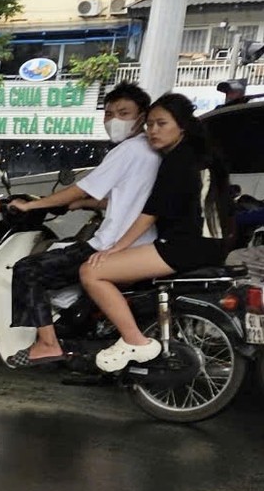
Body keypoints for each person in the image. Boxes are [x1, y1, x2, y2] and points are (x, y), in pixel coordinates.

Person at [3, 82, 158, 365]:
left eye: (123, 113)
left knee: (28, 270)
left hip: (113, 244)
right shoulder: (151, 151)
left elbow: (83, 186)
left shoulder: (128, 150)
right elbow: (127, 198)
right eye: (109, 113)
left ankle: (47, 343)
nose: (114, 120)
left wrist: (32, 204)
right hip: (143, 244)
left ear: (141, 117)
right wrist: (83, 205)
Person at [80, 92, 235, 371]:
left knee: (92, 272)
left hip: (185, 246)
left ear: (182, 125)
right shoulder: (202, 155)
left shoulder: (177, 160)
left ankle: (134, 340)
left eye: (161, 124)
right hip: (213, 245)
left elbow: (151, 212)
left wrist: (117, 247)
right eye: (149, 124)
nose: (153, 130)